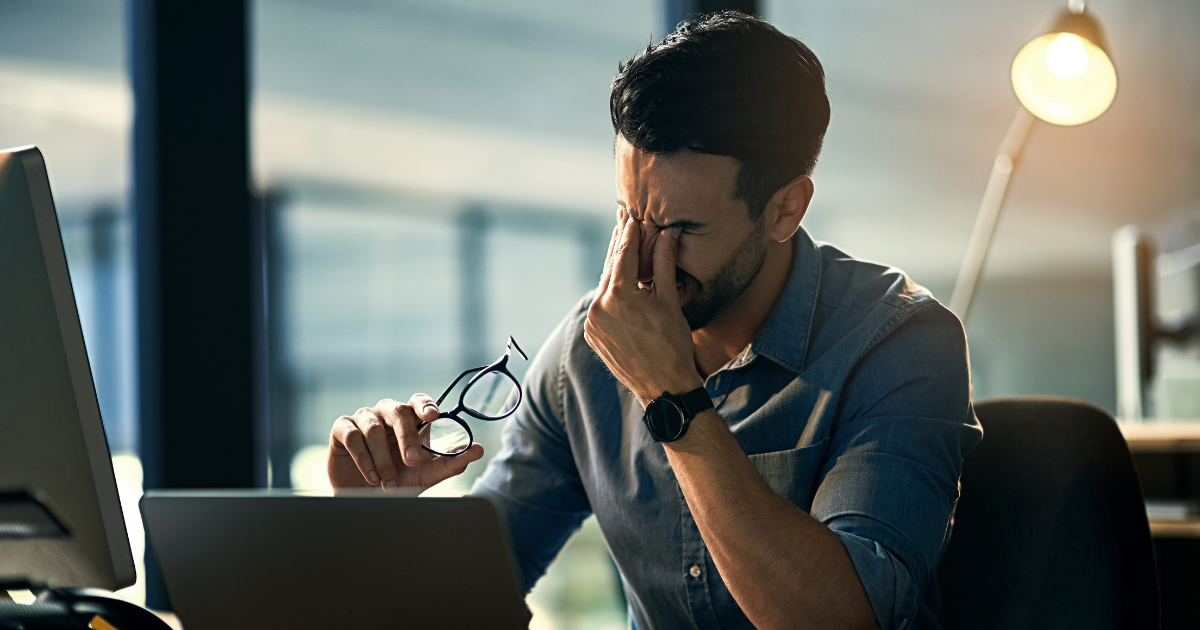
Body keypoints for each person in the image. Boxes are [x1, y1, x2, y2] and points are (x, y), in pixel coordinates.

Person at [327, 12, 981, 630]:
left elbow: (845, 618)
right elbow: (473, 597)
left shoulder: (900, 344)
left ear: (785, 209)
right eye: (628, 216)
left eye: (681, 230)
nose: (641, 263)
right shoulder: (585, 356)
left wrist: (673, 399)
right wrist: (374, 518)